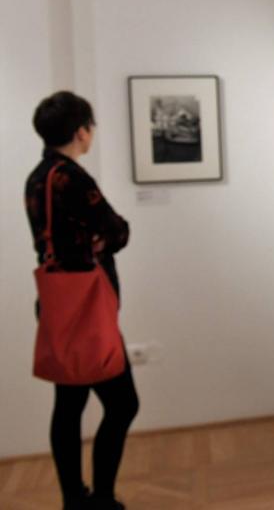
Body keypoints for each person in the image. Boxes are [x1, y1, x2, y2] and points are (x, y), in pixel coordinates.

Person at [24, 92, 138, 510]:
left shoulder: (38, 177)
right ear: (80, 131)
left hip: (57, 304)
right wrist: (104, 239)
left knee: (69, 404)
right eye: (90, 125)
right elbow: (118, 230)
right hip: (87, 307)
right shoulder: (72, 177)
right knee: (123, 404)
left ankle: (74, 499)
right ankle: (102, 498)